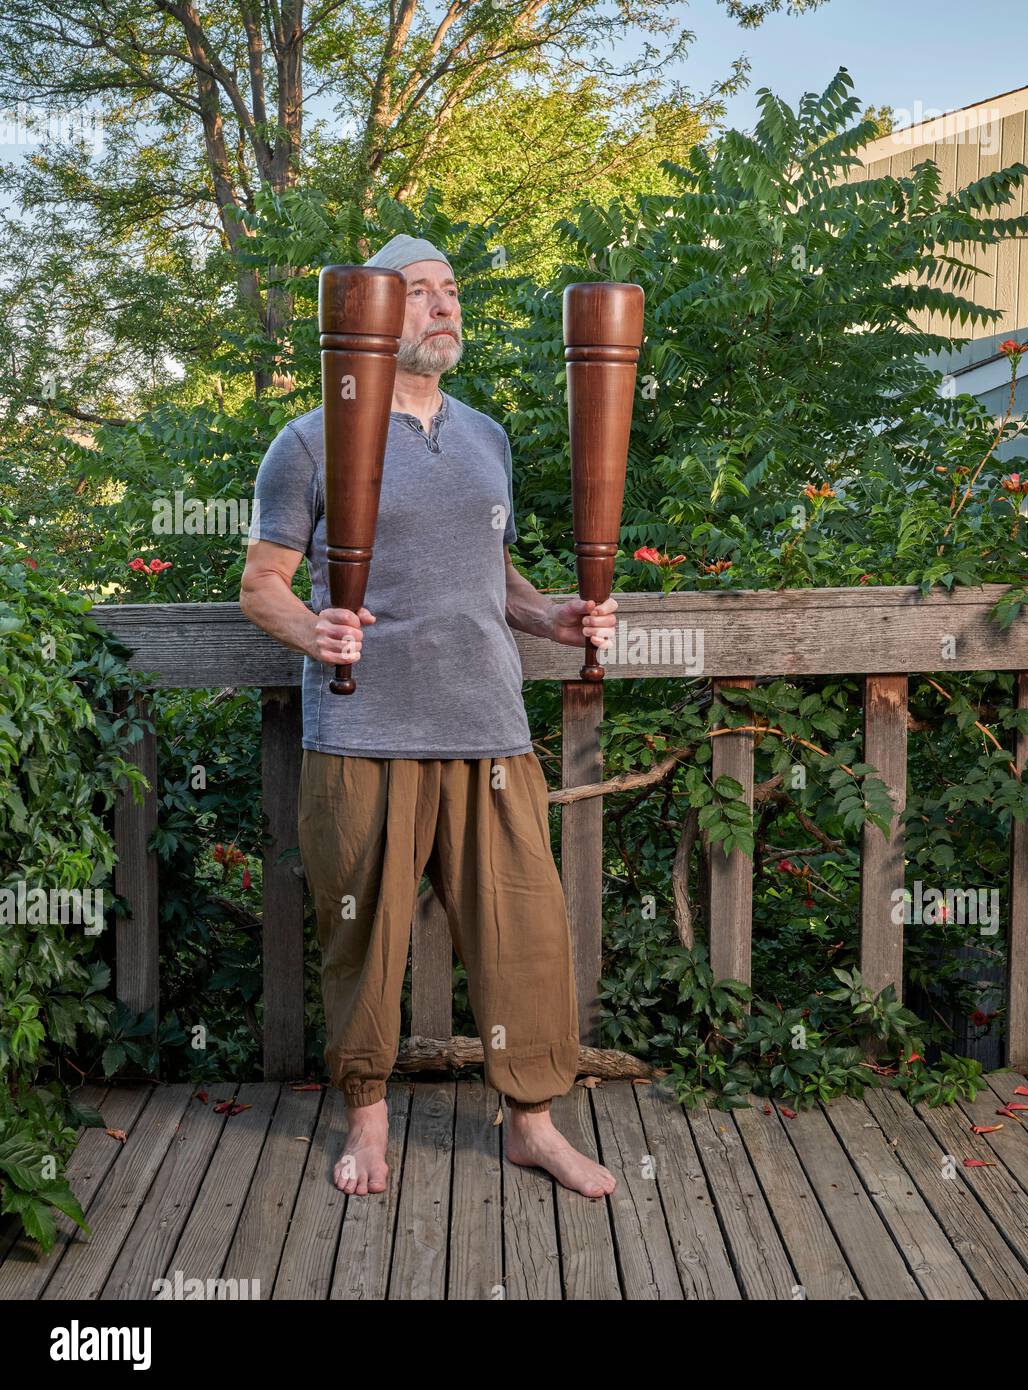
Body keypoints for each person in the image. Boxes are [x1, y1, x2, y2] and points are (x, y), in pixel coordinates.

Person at [239, 232, 618, 1200]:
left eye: (449, 291)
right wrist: (312, 629)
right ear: (368, 311)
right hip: (364, 737)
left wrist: (554, 613)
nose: (442, 306)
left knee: (526, 933)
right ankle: (368, 1120)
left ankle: (531, 1122)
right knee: (363, 944)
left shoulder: (485, 436)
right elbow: (260, 585)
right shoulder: (310, 437)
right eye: (417, 293)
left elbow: (490, 576)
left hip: (489, 728)